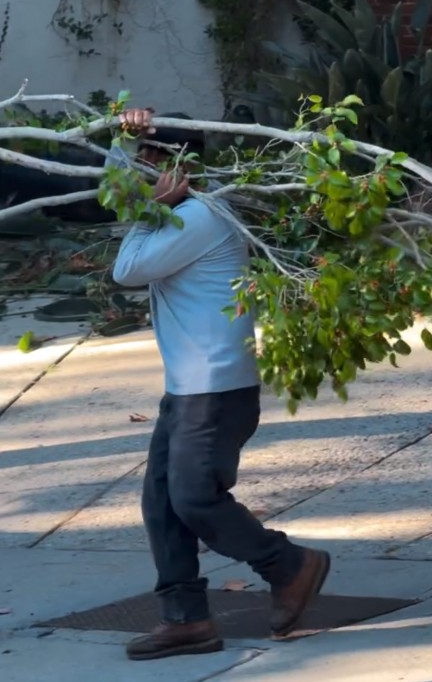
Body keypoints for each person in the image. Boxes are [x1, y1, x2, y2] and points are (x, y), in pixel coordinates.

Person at [112, 108, 330, 661]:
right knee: (163, 504)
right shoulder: (183, 211)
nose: (139, 170)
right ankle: (185, 620)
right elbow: (117, 188)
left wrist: (149, 213)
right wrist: (122, 136)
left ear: (174, 165)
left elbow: (127, 271)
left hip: (213, 390)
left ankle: (289, 565)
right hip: (191, 387)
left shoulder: (199, 217)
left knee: (192, 497)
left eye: (147, 159)